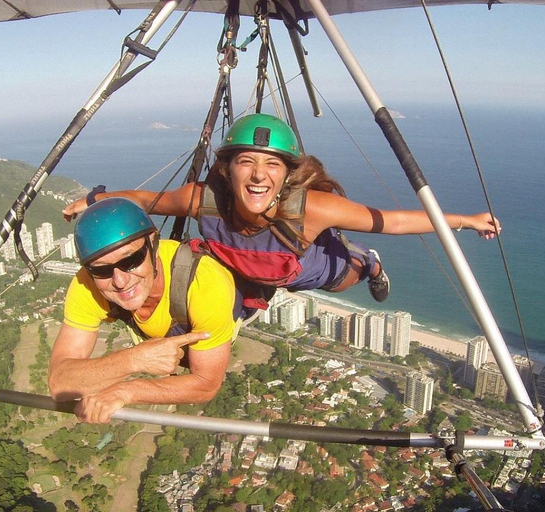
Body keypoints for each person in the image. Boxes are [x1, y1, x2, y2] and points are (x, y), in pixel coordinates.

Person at [63, 113, 500, 310]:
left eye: (271, 163)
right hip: (252, 267)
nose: (258, 175)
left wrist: (465, 221)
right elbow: (146, 200)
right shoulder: (204, 200)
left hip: (308, 265)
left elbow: (396, 220)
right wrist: (95, 200)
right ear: (228, 168)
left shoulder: (310, 209)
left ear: (285, 173)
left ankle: (368, 263)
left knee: (346, 278)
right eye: (246, 161)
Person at [48, 197, 238, 424]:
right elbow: (59, 382)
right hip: (156, 335)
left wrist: (125, 391)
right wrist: (134, 360)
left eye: (131, 260)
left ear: (153, 244)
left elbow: (206, 384)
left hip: (216, 312)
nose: (120, 281)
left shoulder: (205, 285)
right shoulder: (87, 284)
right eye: (102, 270)